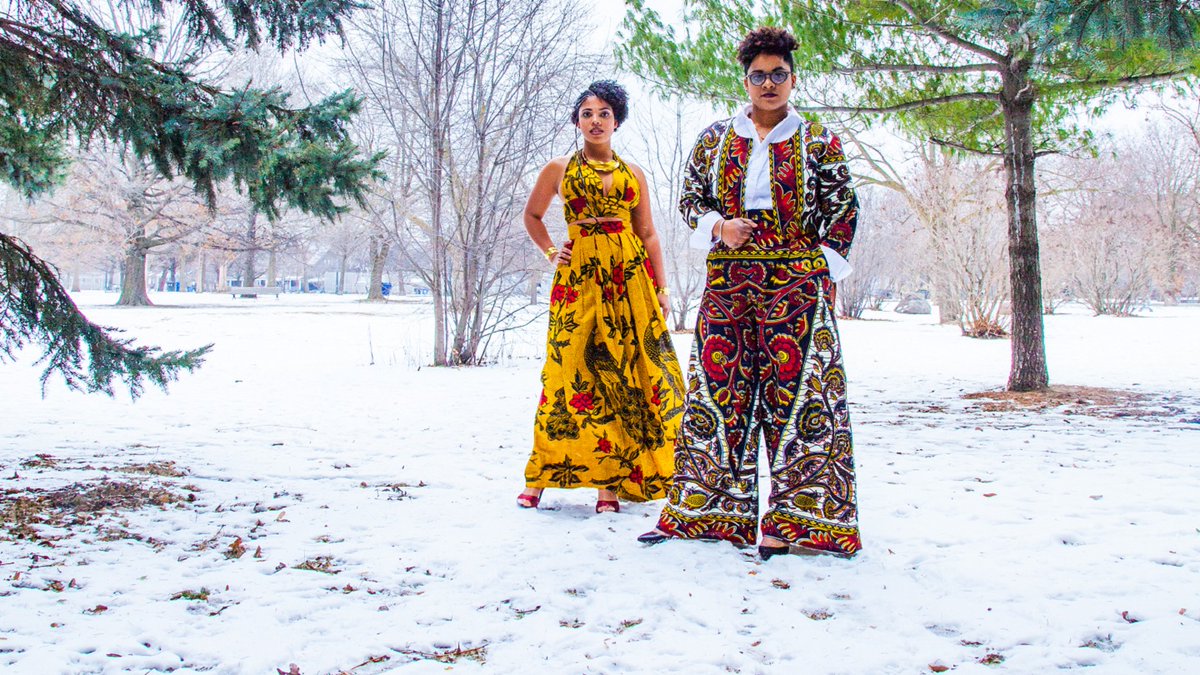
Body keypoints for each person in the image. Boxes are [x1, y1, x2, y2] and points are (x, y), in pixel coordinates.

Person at [638, 27, 861, 558]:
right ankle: (706, 513)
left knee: (801, 400)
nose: (768, 84)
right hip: (728, 285)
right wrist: (719, 227)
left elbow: (844, 210)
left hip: (797, 289)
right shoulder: (714, 139)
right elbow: (690, 199)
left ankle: (795, 524)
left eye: (778, 74)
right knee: (718, 394)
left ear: (793, 79)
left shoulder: (821, 142)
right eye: (759, 76)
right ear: (745, 81)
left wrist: (817, 267)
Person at [517, 80, 685, 513]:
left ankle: (610, 483)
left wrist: (662, 288)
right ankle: (542, 474)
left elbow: (648, 233)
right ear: (577, 121)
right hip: (579, 280)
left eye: (605, 113)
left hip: (629, 281)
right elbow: (532, 215)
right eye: (587, 113)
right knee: (567, 370)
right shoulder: (558, 168)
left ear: (617, 121)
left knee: (622, 371)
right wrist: (552, 251)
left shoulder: (634, 173)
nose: (595, 121)